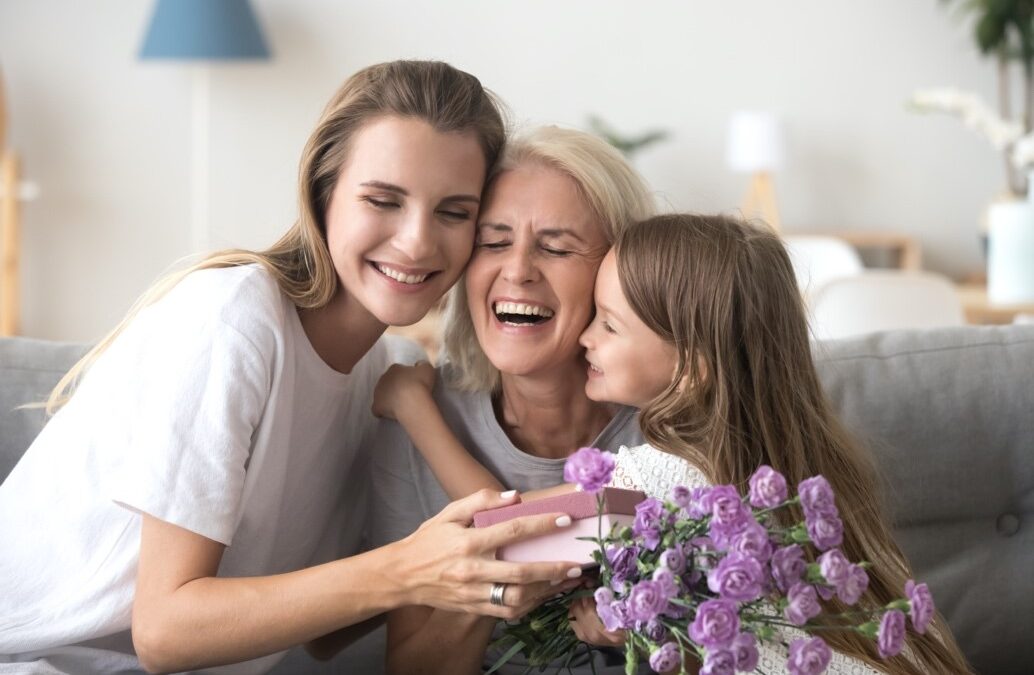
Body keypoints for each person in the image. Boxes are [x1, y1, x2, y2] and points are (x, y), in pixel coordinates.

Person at [0, 61, 587, 675]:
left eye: (453, 212)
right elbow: (164, 631)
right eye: (383, 200)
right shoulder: (234, 318)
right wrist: (412, 568)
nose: (416, 242)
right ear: (323, 193)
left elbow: (327, 635)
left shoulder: (392, 375)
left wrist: (501, 563)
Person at [376, 213, 973, 674]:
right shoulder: (804, 464)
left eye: (608, 325)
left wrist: (413, 406)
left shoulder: (668, 480)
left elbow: (504, 529)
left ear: (691, 370)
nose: (584, 336)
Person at [366, 125, 655, 675]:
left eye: (555, 246)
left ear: (621, 272)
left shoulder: (674, 423)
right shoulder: (416, 422)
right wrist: (485, 591)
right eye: (494, 242)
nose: (518, 270)